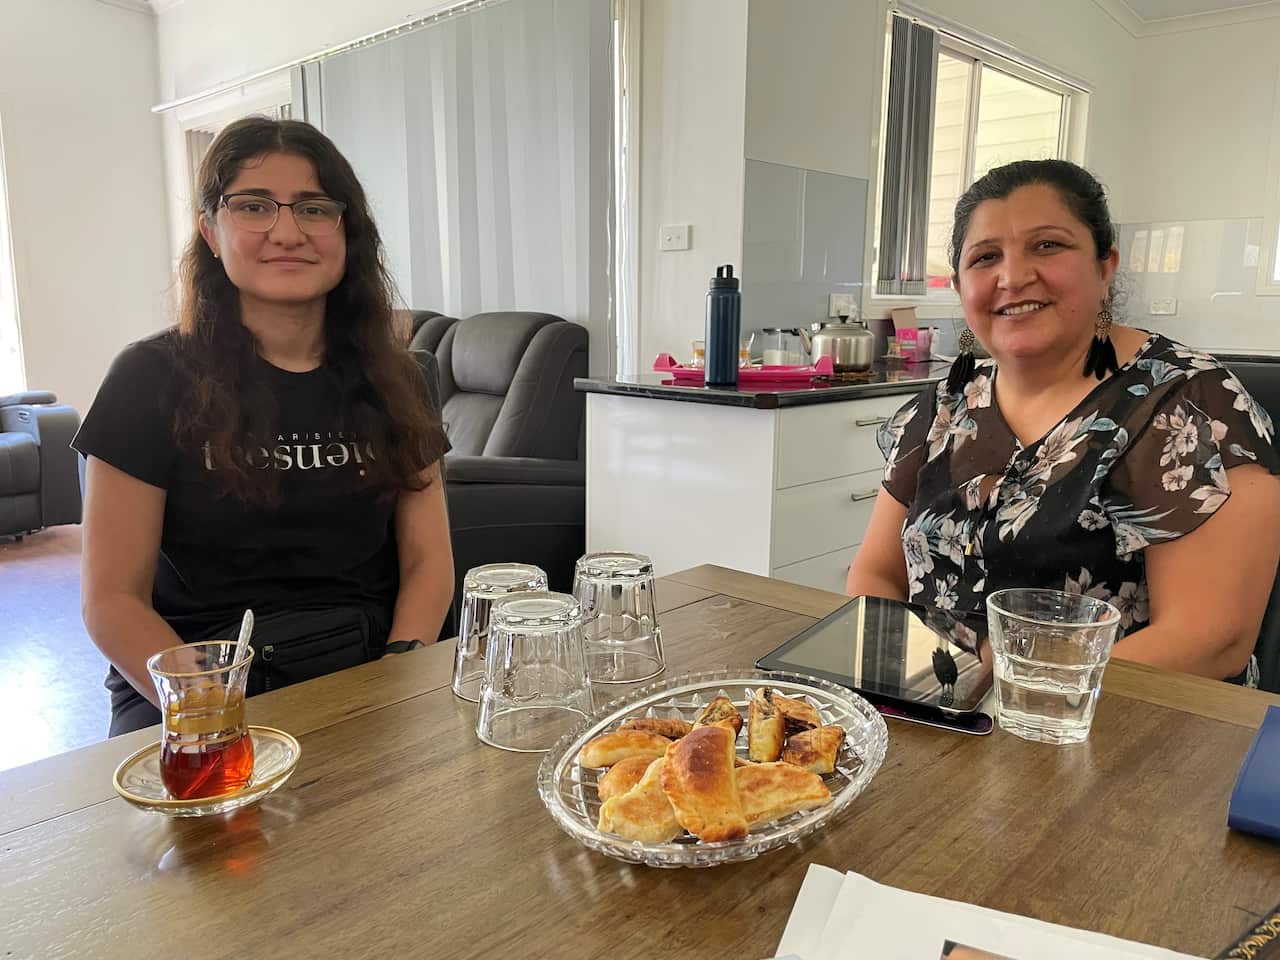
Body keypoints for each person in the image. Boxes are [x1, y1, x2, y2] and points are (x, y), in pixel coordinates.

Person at [75, 117, 454, 735]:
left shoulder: (400, 380)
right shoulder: (148, 377)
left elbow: (427, 562)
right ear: (211, 232)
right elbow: (112, 601)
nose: (287, 231)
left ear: (348, 233)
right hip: (188, 686)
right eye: (253, 206)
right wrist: (209, 717)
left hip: (364, 670)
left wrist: (399, 679)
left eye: (314, 208)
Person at [848, 159, 1280, 684]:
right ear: (961, 286)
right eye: (985, 257)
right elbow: (876, 572)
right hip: (943, 710)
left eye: (1048, 245)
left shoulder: (1185, 404)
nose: (1012, 277)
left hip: (1122, 727)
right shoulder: (946, 402)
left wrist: (1016, 697)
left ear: (1104, 265)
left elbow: (1211, 640)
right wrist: (901, 681)